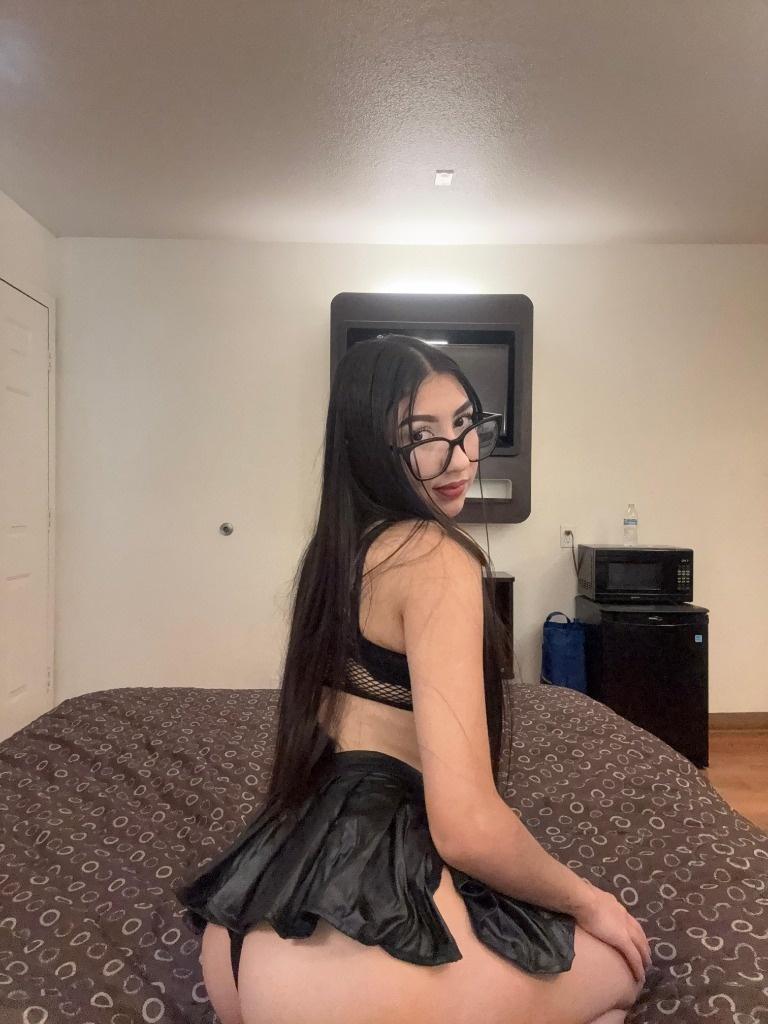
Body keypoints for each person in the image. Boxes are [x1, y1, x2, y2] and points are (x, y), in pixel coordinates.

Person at [176, 334, 652, 1024]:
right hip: (347, 962)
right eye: (421, 436)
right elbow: (466, 829)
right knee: (621, 973)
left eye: (465, 423)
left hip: (245, 935)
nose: (459, 458)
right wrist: (590, 900)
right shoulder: (434, 556)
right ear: (370, 446)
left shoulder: (336, 551)